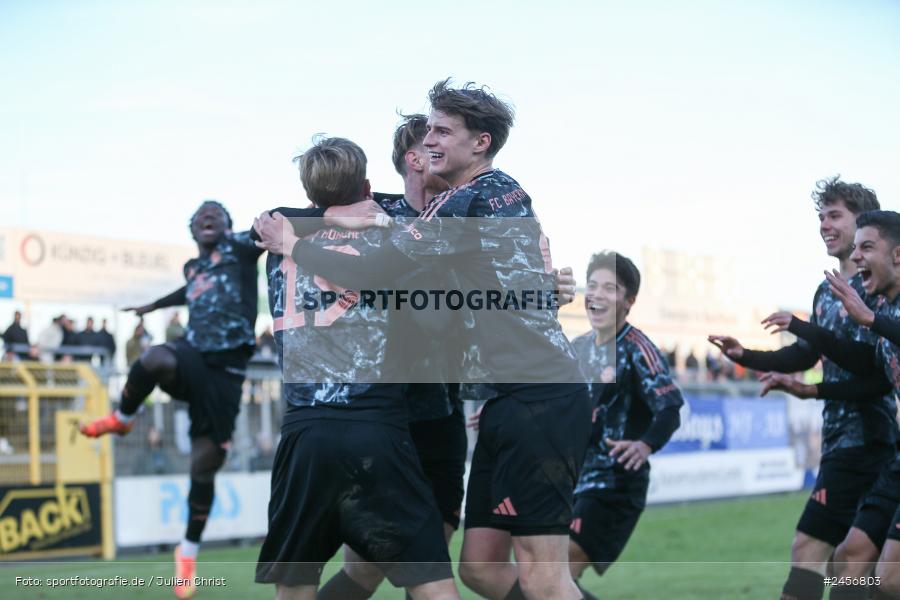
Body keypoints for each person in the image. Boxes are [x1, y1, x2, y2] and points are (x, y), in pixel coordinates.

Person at [255, 80, 591, 600]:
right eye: (425, 134)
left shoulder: (465, 202)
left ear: (479, 143)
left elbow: (376, 270)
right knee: (477, 568)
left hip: (521, 398)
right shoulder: (455, 201)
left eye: (440, 130)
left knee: (540, 574)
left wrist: (294, 244)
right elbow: (319, 205)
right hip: (495, 401)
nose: (428, 141)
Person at [253, 136, 460, 600]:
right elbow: (439, 322)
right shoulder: (394, 240)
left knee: (296, 587)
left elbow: (268, 219)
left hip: (304, 434)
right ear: (368, 187)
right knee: (433, 586)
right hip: (376, 429)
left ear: (309, 196)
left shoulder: (277, 241)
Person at [708, 178, 898, 600]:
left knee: (818, 552)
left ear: (863, 223)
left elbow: (869, 369)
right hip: (842, 439)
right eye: (821, 218)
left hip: (867, 437)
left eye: (835, 216)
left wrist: (809, 359)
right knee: (848, 565)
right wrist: (748, 356)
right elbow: (805, 355)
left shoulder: (881, 296)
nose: (825, 226)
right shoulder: (827, 292)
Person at [79, 199, 262, 600]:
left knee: (205, 463)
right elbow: (189, 290)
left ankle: (188, 553)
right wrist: (155, 305)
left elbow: (275, 230)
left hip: (227, 372)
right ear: (192, 231)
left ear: (229, 226)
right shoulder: (192, 267)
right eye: (201, 217)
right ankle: (124, 417)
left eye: (216, 214)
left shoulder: (242, 247)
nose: (208, 217)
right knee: (156, 357)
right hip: (193, 355)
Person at [759, 210, 900, 600]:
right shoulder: (880, 310)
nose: (857, 258)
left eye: (866, 247)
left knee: (888, 577)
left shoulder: (876, 315)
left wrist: (869, 319)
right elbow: (866, 377)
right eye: (856, 249)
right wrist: (811, 391)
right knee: (850, 558)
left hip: (870, 442)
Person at [568, 252, 683, 600]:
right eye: (592, 286)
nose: (597, 295)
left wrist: (644, 444)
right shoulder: (578, 348)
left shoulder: (637, 348)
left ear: (629, 301)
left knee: (555, 573)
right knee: (539, 577)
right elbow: (551, 404)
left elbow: (670, 408)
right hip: (574, 483)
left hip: (615, 485)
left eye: (610, 288)